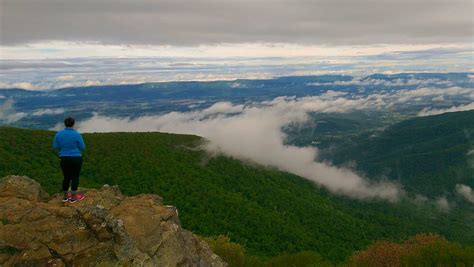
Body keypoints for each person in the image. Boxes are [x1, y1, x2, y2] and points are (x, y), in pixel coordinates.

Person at [53, 117, 86, 203]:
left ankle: (65, 197)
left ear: (65, 124)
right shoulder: (77, 134)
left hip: (64, 158)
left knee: (66, 177)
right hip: (76, 158)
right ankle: (73, 197)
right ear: (73, 124)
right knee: (75, 177)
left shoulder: (58, 134)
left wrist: (64, 149)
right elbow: (82, 147)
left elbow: (55, 147)